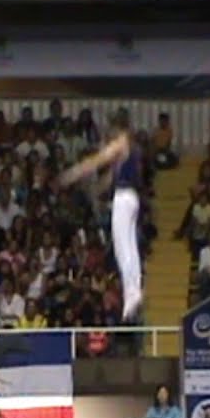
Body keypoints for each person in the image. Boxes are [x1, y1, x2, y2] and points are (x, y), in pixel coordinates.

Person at [60, 113, 145, 321]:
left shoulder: (121, 142)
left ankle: (132, 291)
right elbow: (110, 178)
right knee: (130, 246)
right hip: (131, 197)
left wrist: (73, 173)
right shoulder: (131, 149)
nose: (107, 137)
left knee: (122, 247)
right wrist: (96, 190)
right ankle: (134, 288)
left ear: (118, 128)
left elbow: (96, 161)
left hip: (124, 198)